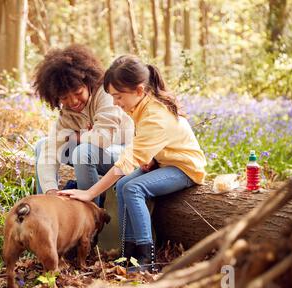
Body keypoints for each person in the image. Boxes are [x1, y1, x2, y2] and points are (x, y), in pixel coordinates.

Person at [58, 55, 207, 272]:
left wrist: (90, 193)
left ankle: (148, 257)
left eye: (118, 97)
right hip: (164, 162)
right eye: (112, 97)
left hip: (184, 168)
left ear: (138, 90)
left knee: (133, 187)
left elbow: (126, 162)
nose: (116, 103)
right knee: (122, 185)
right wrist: (152, 159)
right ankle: (127, 253)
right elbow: (144, 147)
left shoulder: (156, 115)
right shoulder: (140, 106)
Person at [33, 45, 134, 206]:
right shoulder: (67, 113)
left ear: (87, 82)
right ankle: (46, 206)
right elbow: (51, 150)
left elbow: (104, 139)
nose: (73, 101)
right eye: (64, 97)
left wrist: (78, 136)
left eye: (78, 92)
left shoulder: (105, 94)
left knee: (82, 151)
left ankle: (91, 214)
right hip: (96, 154)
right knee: (42, 146)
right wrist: (50, 191)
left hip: (125, 153)